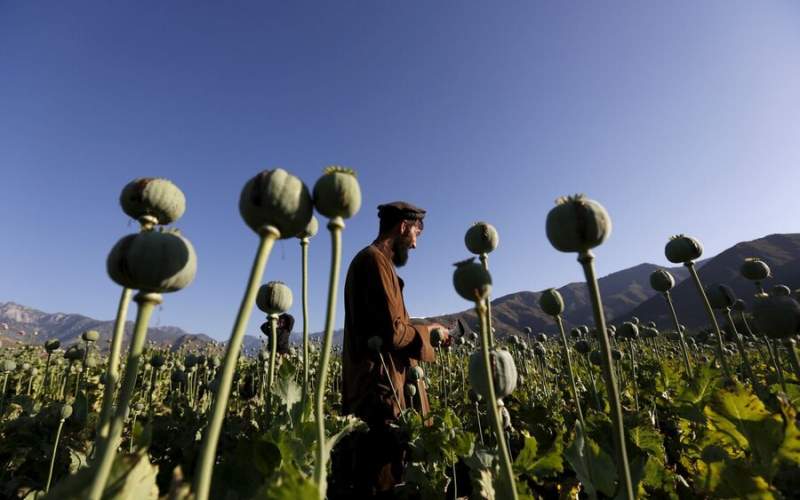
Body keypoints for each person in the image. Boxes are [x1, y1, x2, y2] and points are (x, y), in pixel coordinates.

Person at [336, 201, 450, 498]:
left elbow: (390, 322)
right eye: (416, 234)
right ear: (403, 227)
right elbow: (393, 332)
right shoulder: (374, 262)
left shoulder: (375, 262)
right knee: (381, 481)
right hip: (379, 392)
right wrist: (431, 333)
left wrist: (427, 325)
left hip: (380, 387)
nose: (415, 245)